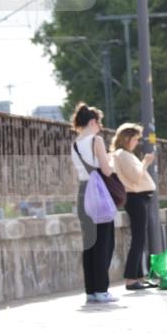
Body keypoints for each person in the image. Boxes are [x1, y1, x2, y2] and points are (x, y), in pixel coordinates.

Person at [69, 103, 117, 304]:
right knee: (104, 243)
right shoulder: (96, 140)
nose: (100, 127)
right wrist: (112, 163)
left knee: (89, 244)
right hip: (97, 193)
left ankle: (90, 291)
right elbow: (106, 170)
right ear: (92, 122)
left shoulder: (75, 144)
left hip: (83, 193)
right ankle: (102, 290)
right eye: (99, 123)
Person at [110, 123, 157, 291]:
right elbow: (136, 177)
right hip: (135, 198)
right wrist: (146, 162)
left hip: (137, 198)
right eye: (135, 139)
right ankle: (131, 279)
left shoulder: (124, 155)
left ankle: (137, 277)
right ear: (127, 138)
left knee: (140, 238)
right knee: (138, 238)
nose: (137, 142)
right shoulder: (123, 155)